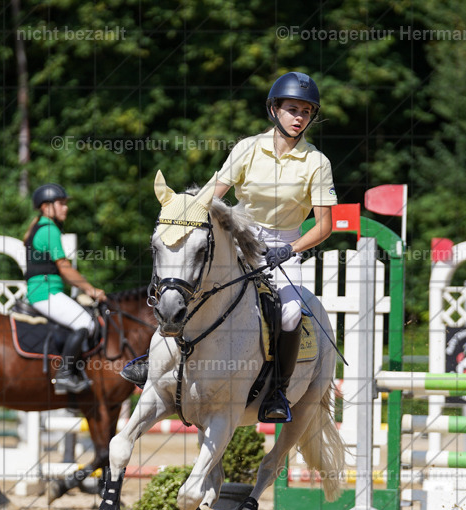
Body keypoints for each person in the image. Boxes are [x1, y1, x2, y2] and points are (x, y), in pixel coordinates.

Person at [122, 71, 337, 422]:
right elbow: (211, 196)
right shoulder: (247, 149)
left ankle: (277, 393)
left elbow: (325, 226)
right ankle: (154, 361)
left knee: (290, 313)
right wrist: (181, 212)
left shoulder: (317, 162)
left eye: (306, 112)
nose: (299, 118)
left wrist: (291, 248)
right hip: (240, 237)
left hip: (284, 246)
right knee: (187, 284)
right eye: (292, 109)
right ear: (274, 109)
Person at [24, 183, 106, 394]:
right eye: (61, 203)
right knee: (85, 323)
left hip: (42, 291)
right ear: (46, 206)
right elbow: (64, 268)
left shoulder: (38, 228)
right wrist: (90, 289)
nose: (65, 208)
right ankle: (64, 375)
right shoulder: (49, 230)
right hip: (46, 293)